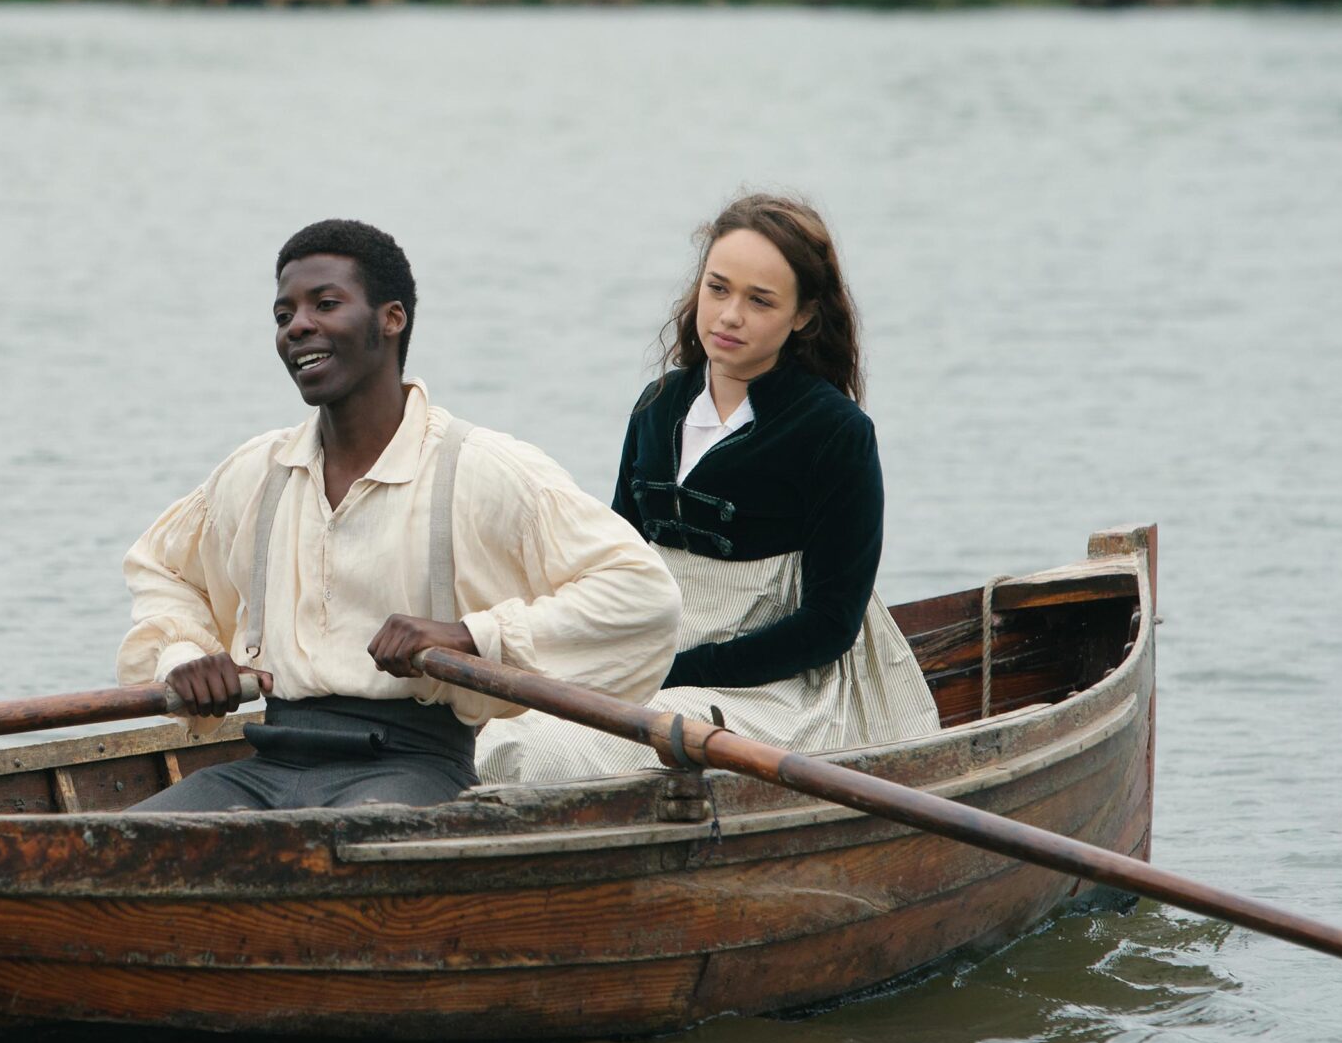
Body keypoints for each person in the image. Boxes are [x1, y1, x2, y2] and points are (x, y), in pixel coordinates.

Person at [119, 219, 682, 811]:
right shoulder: (257, 472)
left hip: (411, 767)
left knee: (336, 851)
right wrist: (185, 657)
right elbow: (163, 570)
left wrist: (471, 636)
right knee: (118, 851)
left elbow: (641, 594)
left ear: (392, 318)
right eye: (284, 315)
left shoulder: (480, 469)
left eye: (325, 304)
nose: (298, 326)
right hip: (264, 764)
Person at [478, 193, 939, 784]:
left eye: (760, 300)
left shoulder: (835, 433)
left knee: (549, 752)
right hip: (641, 657)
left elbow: (828, 625)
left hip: (772, 690)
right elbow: (613, 562)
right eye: (718, 289)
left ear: (803, 316)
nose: (728, 315)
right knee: (489, 724)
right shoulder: (658, 406)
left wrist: (673, 673)